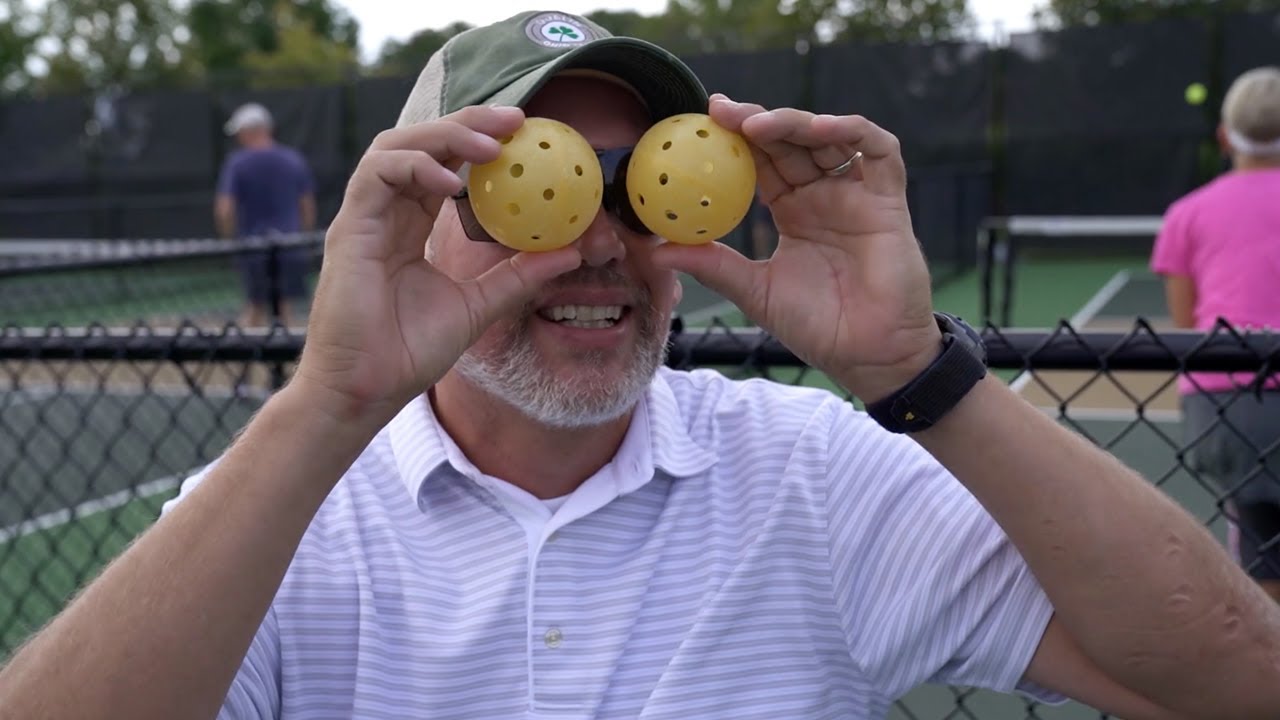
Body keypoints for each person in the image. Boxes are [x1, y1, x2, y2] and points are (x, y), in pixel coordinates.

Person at [2, 11, 1279, 719]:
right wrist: (324, 408)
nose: (600, 241)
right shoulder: (281, 518)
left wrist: (916, 372)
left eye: (643, 189)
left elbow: (1236, 678)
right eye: (526, 190)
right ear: (414, 216)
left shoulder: (817, 477)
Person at [1151, 66, 1280, 603]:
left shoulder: (1186, 215)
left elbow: (1188, 332)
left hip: (1223, 410)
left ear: (1226, 138)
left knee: (1260, 543)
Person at [216, 102, 318, 328]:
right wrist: (304, 238)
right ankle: (289, 362)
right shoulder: (294, 160)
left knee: (254, 309)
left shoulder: (237, 163)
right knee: (285, 311)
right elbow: (307, 206)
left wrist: (228, 239)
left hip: (253, 249)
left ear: (248, 131)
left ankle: (242, 360)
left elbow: (225, 208)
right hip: (290, 246)